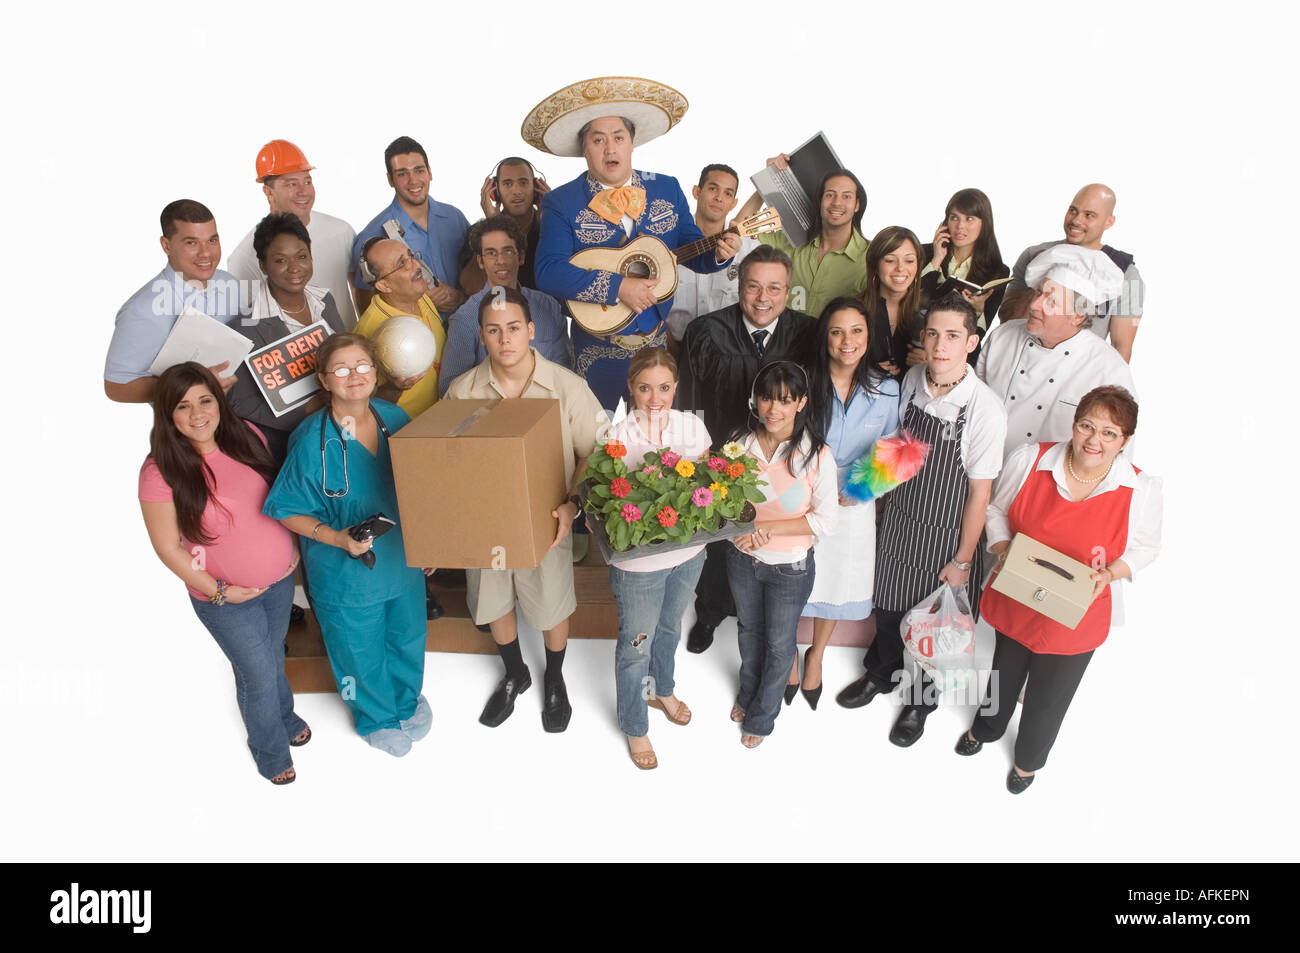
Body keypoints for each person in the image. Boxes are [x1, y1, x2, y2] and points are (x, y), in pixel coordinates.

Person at [957, 386, 1162, 793]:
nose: (1093, 440)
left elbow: (1146, 547)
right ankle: (987, 726)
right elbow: (996, 509)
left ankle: (1028, 761)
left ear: (1124, 441)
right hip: (1019, 592)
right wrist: (1002, 545)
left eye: (1109, 433)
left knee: (1050, 695)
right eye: (1087, 426)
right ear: (1074, 423)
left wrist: (1113, 573)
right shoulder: (1032, 459)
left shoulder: (1141, 489)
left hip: (1077, 611)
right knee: (1005, 670)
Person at [836, 295, 1007, 749]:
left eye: (952, 336)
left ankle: (920, 701)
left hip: (947, 537)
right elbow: (900, 448)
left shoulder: (985, 410)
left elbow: (980, 493)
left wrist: (964, 561)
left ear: (971, 343)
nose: (939, 345)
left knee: (932, 627)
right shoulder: (913, 379)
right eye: (932, 333)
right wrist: (862, 491)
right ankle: (881, 674)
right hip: (900, 522)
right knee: (889, 609)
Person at [444, 288, 610, 732]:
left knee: (552, 605)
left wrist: (572, 505)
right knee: (493, 599)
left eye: (514, 328)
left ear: (531, 330)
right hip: (486, 519)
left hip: (547, 517)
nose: (505, 339)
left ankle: (554, 677)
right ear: (481, 336)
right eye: (494, 330)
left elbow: (596, 452)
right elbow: (447, 461)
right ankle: (515, 673)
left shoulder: (567, 387)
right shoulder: (463, 391)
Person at [138, 362, 309, 784]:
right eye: (182, 406)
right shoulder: (159, 472)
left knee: (272, 657)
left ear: (218, 402)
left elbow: (275, 502)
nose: (197, 413)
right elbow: (166, 546)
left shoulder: (246, 437)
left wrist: (291, 551)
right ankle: (271, 753)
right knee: (256, 673)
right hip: (224, 598)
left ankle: (285, 717)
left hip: (278, 580)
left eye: (205, 400)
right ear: (167, 415)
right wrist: (217, 591)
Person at [526, 77, 741, 412]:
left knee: (655, 449)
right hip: (595, 349)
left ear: (631, 143)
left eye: (618, 138)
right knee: (595, 445)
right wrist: (618, 286)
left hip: (654, 347)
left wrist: (719, 255)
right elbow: (548, 272)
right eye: (598, 140)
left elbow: (693, 249)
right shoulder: (561, 201)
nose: (610, 148)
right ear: (584, 149)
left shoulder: (666, 188)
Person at [263, 334, 430, 758]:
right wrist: (337, 538)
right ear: (323, 379)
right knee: (360, 649)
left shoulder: (396, 419)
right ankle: (376, 717)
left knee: (408, 636)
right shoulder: (309, 441)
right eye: (340, 369)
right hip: (343, 573)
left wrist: (431, 542)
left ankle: (407, 703)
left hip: (402, 559)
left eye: (362, 366)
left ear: (376, 372)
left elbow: (423, 489)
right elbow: (284, 508)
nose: (354, 376)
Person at [676, 244, 819, 654]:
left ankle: (755, 620)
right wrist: (697, 459)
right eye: (754, 286)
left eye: (774, 288)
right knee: (721, 539)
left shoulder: (807, 334)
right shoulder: (706, 331)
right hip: (722, 460)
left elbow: (820, 395)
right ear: (738, 285)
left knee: (770, 536)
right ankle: (709, 613)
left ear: (788, 290)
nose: (763, 298)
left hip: (783, 462)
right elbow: (688, 402)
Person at [605, 348, 711, 769]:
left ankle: (660, 689)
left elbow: (707, 484)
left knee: (670, 627)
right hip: (638, 566)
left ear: (675, 387)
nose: (655, 398)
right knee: (637, 642)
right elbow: (609, 504)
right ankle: (634, 725)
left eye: (664, 388)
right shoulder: (617, 436)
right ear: (630, 387)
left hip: (688, 553)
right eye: (645, 388)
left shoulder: (691, 426)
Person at [794, 298, 901, 708]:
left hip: (852, 499)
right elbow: (781, 437)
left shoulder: (887, 389)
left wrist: (859, 489)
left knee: (836, 579)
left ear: (868, 336)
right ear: (825, 336)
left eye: (857, 331)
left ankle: (816, 653)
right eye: (837, 331)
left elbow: (894, 453)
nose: (847, 341)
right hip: (800, 493)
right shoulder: (802, 381)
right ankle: (786, 652)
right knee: (788, 574)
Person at [727, 362, 838, 747]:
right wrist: (740, 533)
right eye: (767, 399)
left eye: (785, 401)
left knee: (778, 643)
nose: (773, 409)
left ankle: (763, 714)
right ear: (755, 400)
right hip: (743, 559)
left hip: (789, 567)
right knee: (747, 632)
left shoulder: (817, 455)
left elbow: (824, 520)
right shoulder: (739, 446)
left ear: (801, 403)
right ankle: (745, 694)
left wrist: (768, 530)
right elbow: (722, 504)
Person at [977, 244, 1136, 458]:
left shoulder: (1108, 370)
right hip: (980, 469)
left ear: (1078, 315)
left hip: (1049, 485)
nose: (1034, 304)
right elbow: (972, 405)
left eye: (1050, 300)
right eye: (1039, 293)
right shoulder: (1002, 337)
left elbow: (1116, 455)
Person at [226, 212, 346, 465]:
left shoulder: (325, 301)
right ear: (263, 265)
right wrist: (310, 409)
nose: (294, 268)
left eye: (302, 257)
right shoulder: (246, 325)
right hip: (287, 451)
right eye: (280, 260)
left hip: (340, 433)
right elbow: (241, 403)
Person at [105, 200, 245, 404]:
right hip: (185, 429)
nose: (206, 253)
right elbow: (116, 387)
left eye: (212, 240)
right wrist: (193, 385)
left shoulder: (231, 284)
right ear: (166, 245)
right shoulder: (142, 309)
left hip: (244, 419)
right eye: (191, 242)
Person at [998, 184, 1145, 362]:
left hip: (1079, 371)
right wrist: (1043, 285)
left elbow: (1121, 348)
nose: (1076, 220)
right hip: (1019, 361)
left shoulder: (1128, 274)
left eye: (1089, 215)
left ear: (1109, 222)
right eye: (1073, 211)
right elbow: (1007, 319)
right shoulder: (1034, 256)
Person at [226, 140, 360, 330]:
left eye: (307, 181)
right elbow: (251, 323)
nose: (303, 191)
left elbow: (358, 289)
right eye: (291, 184)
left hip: (346, 347)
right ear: (268, 192)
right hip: (289, 355)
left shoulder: (341, 230)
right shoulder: (244, 256)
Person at [440, 215, 572, 395]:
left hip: (546, 409)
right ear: (480, 261)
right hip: (489, 416)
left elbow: (564, 371)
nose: (500, 260)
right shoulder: (465, 319)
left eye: (508, 251)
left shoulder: (548, 307)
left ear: (521, 256)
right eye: (491, 253)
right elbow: (449, 389)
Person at [352, 136, 469, 316]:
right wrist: (421, 303)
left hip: (467, 328)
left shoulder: (454, 217)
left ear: (429, 172)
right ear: (390, 180)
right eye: (402, 174)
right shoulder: (372, 237)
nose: (413, 180)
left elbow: (476, 270)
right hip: (413, 336)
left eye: (419, 170)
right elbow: (367, 305)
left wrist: (461, 297)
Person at [739, 161, 870, 318]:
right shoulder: (789, 240)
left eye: (846, 196)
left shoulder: (870, 257)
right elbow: (737, 232)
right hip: (782, 341)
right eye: (830, 195)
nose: (837, 202)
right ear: (819, 201)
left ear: (857, 205)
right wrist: (766, 181)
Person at [665, 163, 758, 351]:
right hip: (670, 350)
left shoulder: (749, 251)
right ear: (696, 192)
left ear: (734, 203)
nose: (719, 198)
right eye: (713, 188)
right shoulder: (666, 242)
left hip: (726, 353)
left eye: (728, 193)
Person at [353, 237, 449, 418]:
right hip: (406, 431)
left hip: (443, 415)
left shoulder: (420, 295)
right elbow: (360, 404)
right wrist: (393, 388)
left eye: (411, 256)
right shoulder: (368, 333)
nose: (416, 265)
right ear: (384, 285)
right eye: (401, 264)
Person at [918, 188, 1009, 362]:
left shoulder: (997, 271)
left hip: (960, 359)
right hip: (915, 345)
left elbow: (978, 335)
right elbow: (912, 304)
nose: (960, 226)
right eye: (954, 218)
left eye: (969, 219)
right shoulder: (923, 253)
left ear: (984, 223)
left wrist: (979, 309)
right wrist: (936, 260)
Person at [463, 157, 549, 293]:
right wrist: (493, 227)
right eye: (508, 184)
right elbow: (470, 288)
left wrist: (550, 223)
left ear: (536, 189)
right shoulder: (476, 233)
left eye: (523, 182)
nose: (516, 191)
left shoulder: (552, 229)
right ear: (495, 192)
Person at [861, 225, 925, 379]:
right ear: (875, 265)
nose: (900, 268)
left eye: (909, 260)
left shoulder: (931, 313)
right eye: (890, 260)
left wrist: (932, 360)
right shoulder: (853, 310)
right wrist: (864, 370)